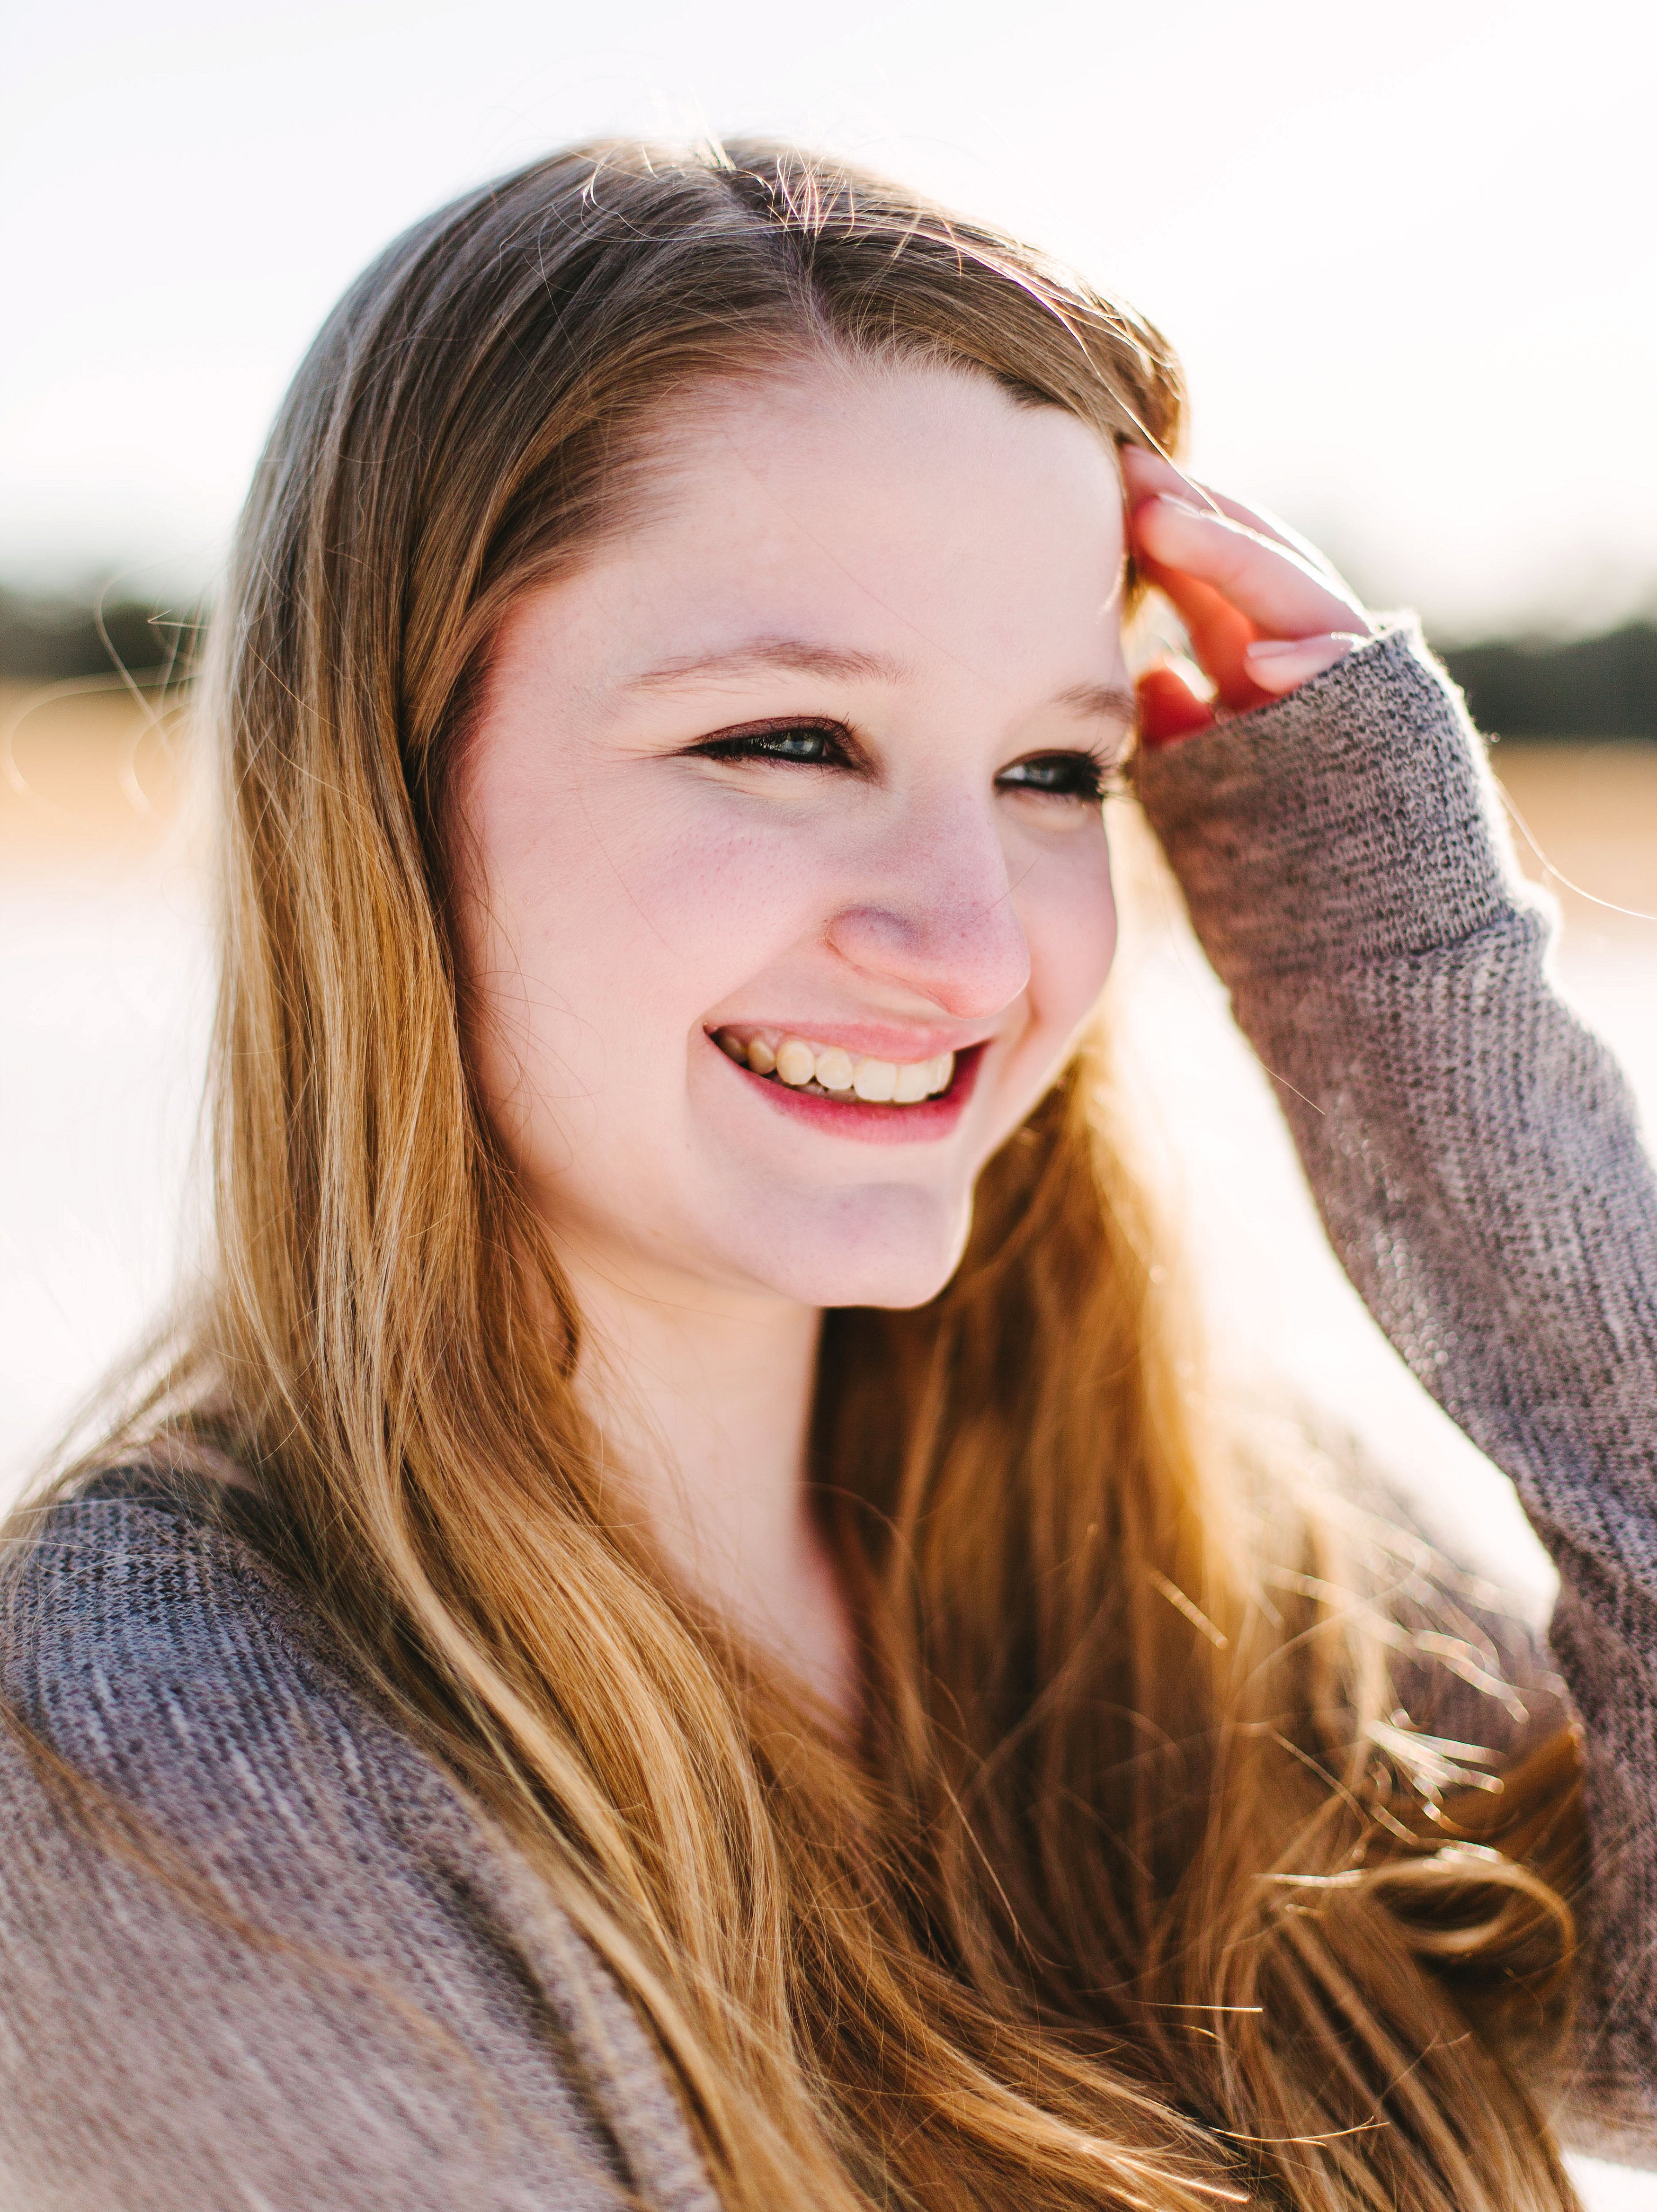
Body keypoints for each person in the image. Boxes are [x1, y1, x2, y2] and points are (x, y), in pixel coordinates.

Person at [1, 141, 1652, 2212]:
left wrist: (1396, 965)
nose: (972, 943)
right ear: (378, 790)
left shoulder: (1222, 1548)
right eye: (787, 739)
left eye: (1052, 771)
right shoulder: (164, 1746)